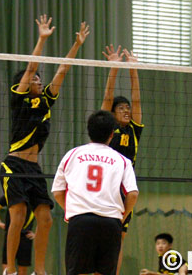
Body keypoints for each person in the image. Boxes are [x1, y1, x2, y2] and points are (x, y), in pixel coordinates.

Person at [0, 14, 90, 275]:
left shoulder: (45, 103)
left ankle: (40, 270)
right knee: (17, 216)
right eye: (34, 79)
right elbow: (30, 68)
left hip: (34, 169)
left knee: (46, 220)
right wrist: (41, 40)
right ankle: (10, 269)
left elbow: (62, 71)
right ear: (24, 86)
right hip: (13, 164)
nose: (38, 80)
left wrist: (76, 45)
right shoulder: (19, 100)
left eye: (40, 79)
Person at [51, 110, 139, 275]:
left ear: (89, 131)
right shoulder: (122, 160)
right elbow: (133, 194)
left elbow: (57, 191)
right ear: (112, 134)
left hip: (81, 221)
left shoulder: (72, 155)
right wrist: (121, 216)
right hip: (111, 223)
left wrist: (72, 210)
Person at [101, 44, 143, 274]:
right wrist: (115, 68)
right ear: (113, 113)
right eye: (121, 108)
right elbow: (107, 97)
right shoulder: (107, 127)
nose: (127, 110)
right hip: (106, 187)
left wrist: (133, 70)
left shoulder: (134, 130)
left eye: (128, 108)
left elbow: (136, 100)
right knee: (101, 237)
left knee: (119, 239)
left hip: (126, 189)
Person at [0, 196, 35, 275]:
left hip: (25, 237)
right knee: (7, 268)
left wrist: (36, 234)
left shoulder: (33, 195)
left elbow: (43, 216)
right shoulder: (10, 193)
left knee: (23, 271)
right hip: (10, 236)